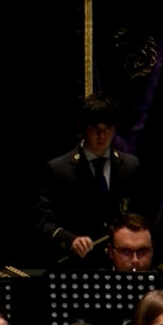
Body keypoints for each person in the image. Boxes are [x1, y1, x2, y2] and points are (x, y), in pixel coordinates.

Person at [37, 93, 144, 264]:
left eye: (107, 128)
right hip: (77, 264)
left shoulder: (131, 166)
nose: (102, 135)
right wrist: (70, 240)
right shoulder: (59, 170)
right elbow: (43, 222)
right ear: (83, 128)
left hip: (119, 264)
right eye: (95, 128)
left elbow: (140, 216)